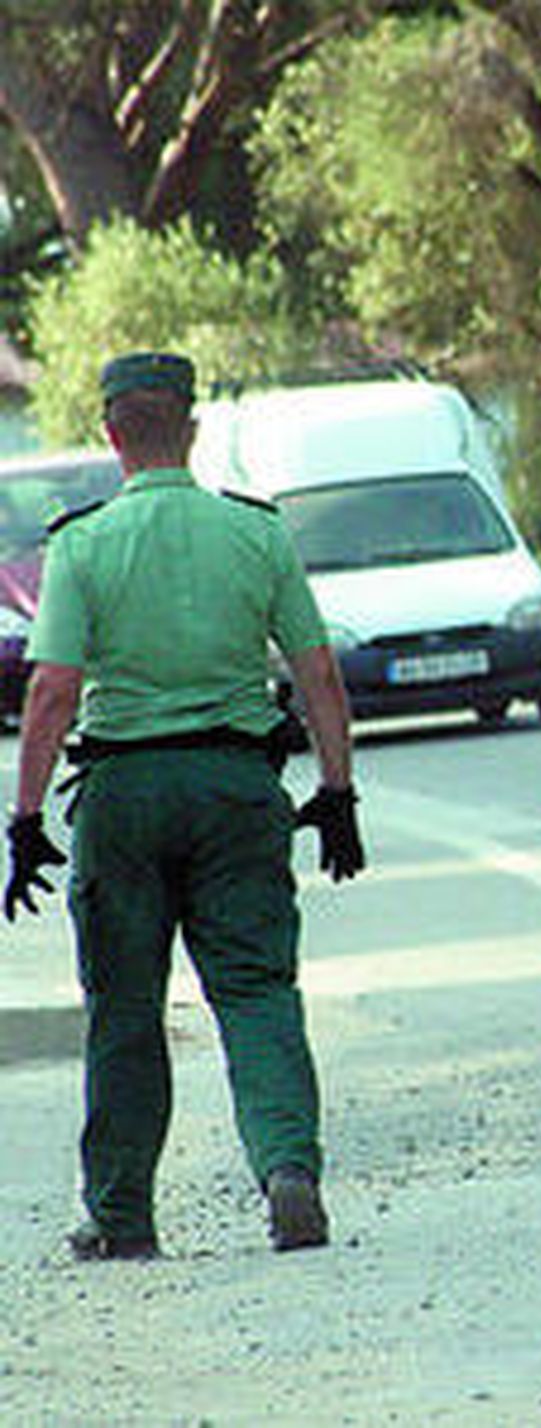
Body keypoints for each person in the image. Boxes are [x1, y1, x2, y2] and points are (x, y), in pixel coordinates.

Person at [3, 351, 367, 1259]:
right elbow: (318, 670)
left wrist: (26, 818)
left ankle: (122, 1217)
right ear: (192, 431)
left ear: (111, 434)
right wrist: (336, 789)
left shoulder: (81, 544)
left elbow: (51, 689)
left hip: (123, 795)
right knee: (254, 991)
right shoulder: (256, 534)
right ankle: (288, 1169)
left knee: (125, 1007)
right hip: (236, 790)